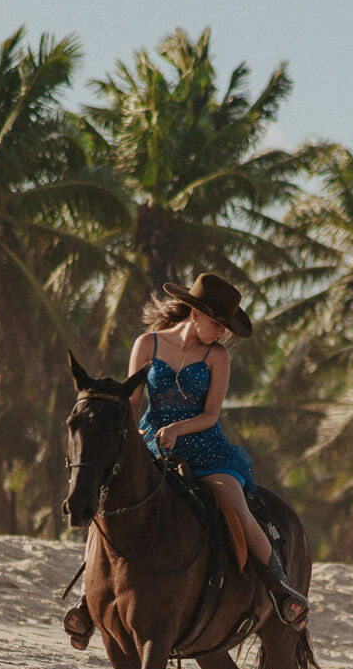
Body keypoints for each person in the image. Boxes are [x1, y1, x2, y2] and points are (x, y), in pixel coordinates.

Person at [64, 272, 308, 649]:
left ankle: (280, 589)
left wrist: (178, 428)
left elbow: (211, 414)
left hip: (204, 445)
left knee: (236, 503)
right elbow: (131, 405)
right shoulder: (147, 344)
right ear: (195, 313)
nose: (223, 332)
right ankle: (87, 599)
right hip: (149, 442)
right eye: (218, 323)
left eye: (226, 326)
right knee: (107, 501)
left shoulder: (218, 356)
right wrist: (134, 437)